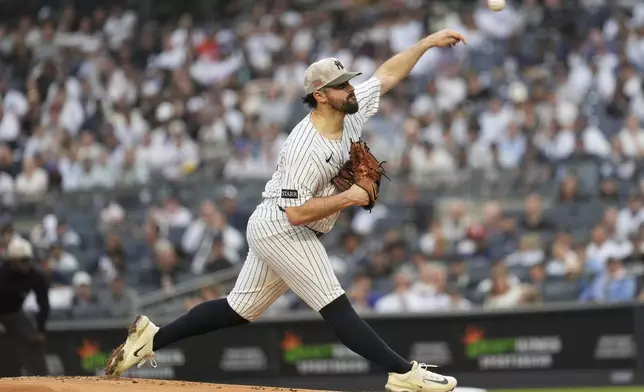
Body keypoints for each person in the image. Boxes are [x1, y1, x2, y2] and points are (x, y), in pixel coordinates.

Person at [105, 29, 466, 392]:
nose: (350, 89)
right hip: (282, 227)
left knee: (237, 310)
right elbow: (295, 213)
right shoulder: (303, 147)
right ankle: (403, 374)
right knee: (335, 304)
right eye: (341, 86)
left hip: (287, 226)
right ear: (320, 95)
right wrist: (350, 197)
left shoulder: (351, 112)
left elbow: (386, 75)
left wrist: (424, 44)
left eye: (348, 82)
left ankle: (151, 338)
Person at [0, 236, 50, 376]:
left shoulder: (35, 276)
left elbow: (43, 304)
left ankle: (41, 378)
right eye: (22, 261)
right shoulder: (2, 274)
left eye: (28, 260)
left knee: (32, 340)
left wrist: (40, 329)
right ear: (13, 261)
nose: (26, 264)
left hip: (14, 313)